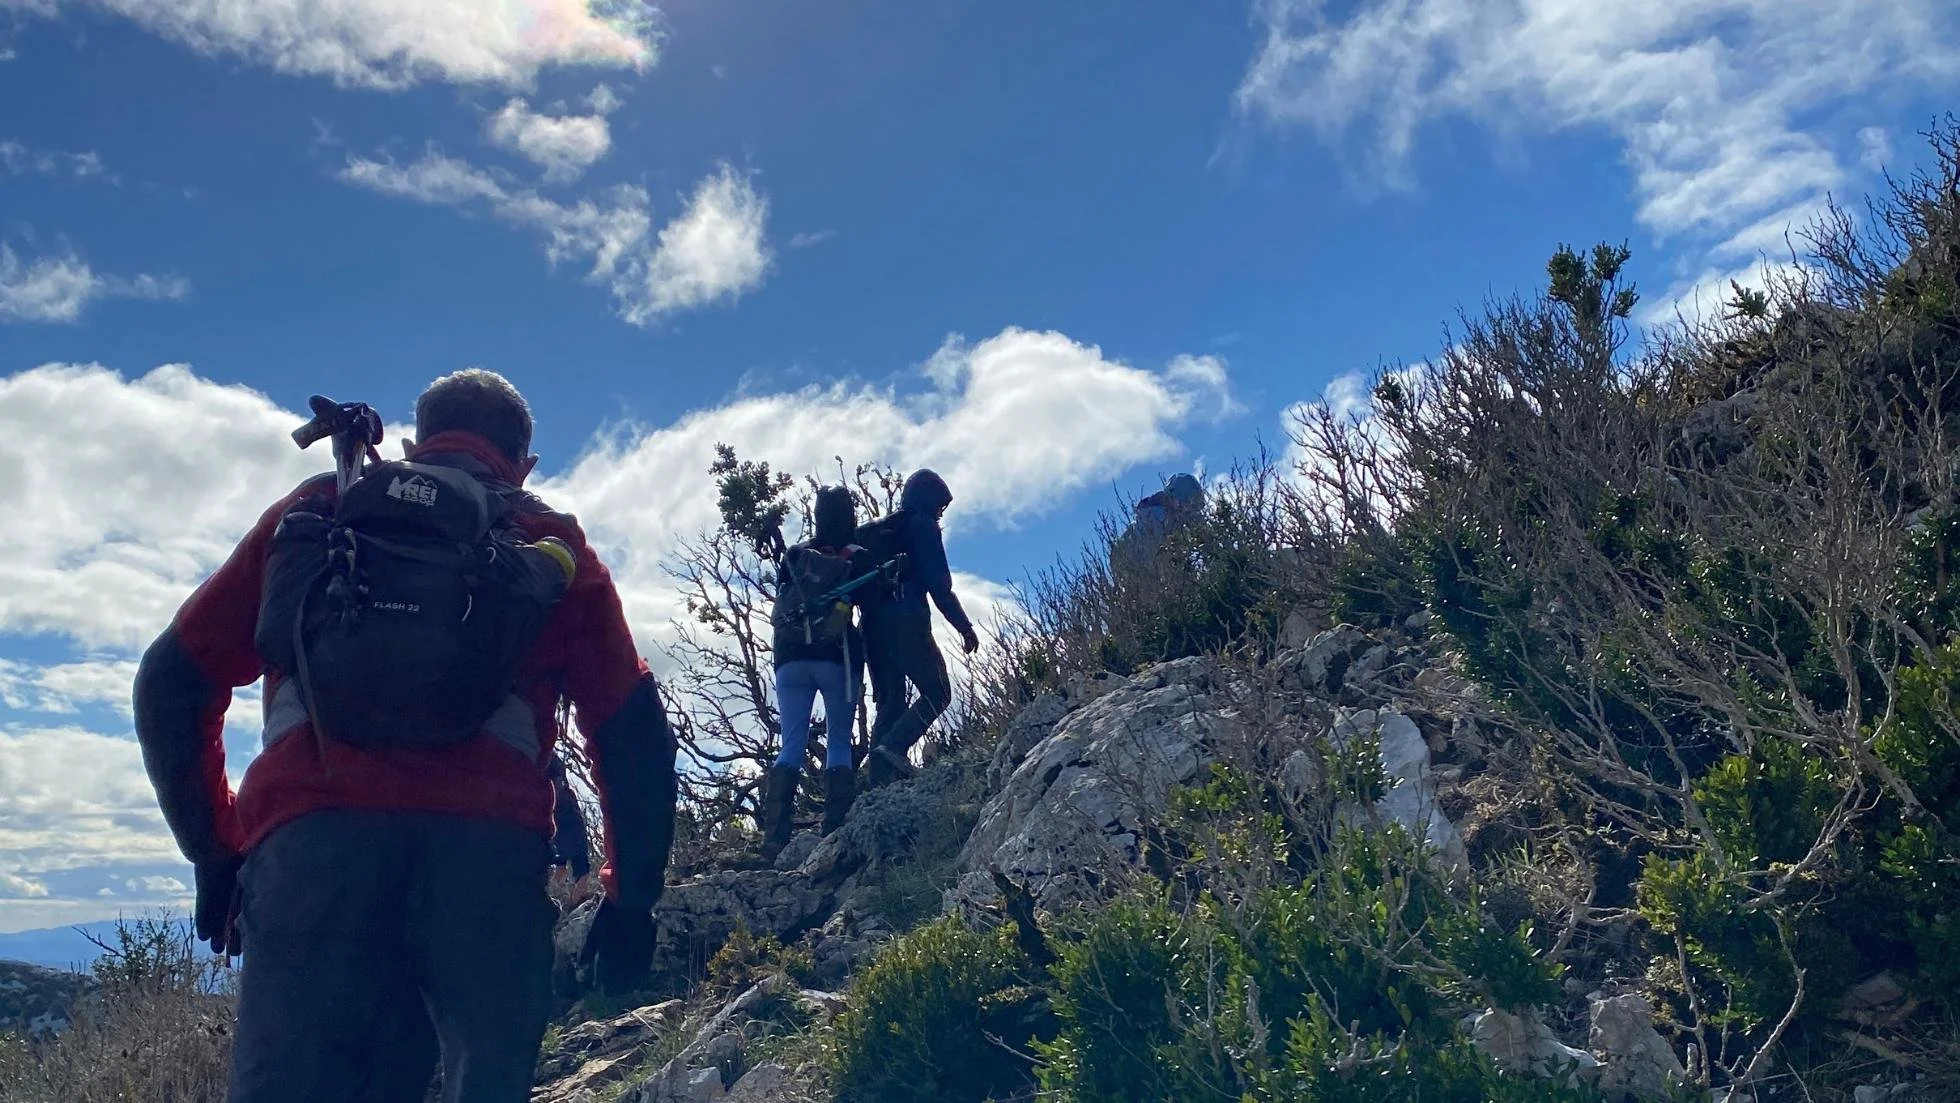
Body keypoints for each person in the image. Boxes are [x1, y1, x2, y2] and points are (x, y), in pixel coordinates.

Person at [133, 369, 678, 1103]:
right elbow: (631, 734)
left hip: (310, 859)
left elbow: (172, 680)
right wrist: (630, 900)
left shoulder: (319, 515)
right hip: (484, 873)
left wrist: (215, 848)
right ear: (524, 464)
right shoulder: (550, 544)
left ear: (418, 444)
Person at [760, 487, 868, 856]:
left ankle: (775, 836)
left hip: (790, 659)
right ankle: (835, 828)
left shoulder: (795, 555)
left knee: (790, 744)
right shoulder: (856, 557)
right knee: (838, 742)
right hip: (836, 657)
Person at [854, 469, 979, 789]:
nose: (940, 514)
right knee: (939, 692)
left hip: (870, 627)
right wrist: (964, 626)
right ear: (927, 501)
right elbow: (940, 586)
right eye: (940, 507)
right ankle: (894, 748)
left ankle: (877, 784)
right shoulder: (922, 527)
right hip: (907, 620)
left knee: (891, 700)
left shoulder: (871, 533)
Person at [546, 753, 595, 906]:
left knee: (560, 868)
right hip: (573, 836)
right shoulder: (566, 795)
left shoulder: (550, 795)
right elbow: (576, 820)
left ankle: (551, 897)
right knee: (583, 873)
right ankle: (571, 904)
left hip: (557, 834)